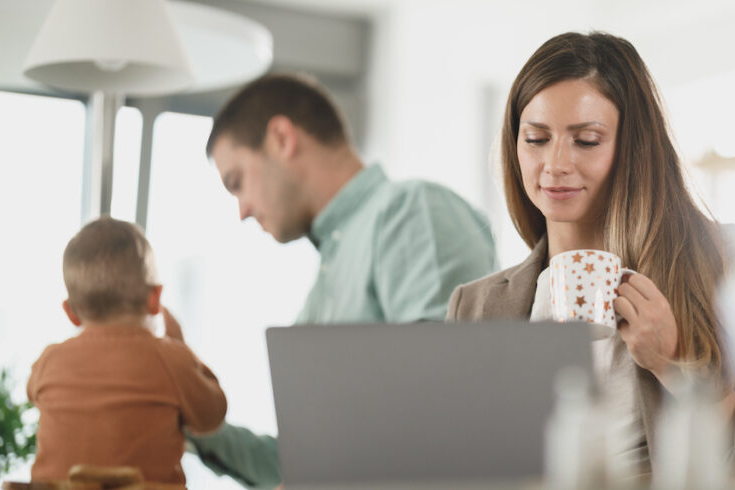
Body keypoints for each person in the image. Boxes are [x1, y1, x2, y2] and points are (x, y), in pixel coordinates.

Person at [446, 32, 735, 479]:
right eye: (535, 138)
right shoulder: (475, 307)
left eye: (586, 140)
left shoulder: (718, 260)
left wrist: (672, 365)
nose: (555, 164)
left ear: (631, 148)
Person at [182, 73, 499, 488]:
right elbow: (310, 466)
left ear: (281, 137)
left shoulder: (409, 210)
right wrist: (193, 421)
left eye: (236, 181)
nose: (241, 210)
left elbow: (442, 409)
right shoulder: (323, 288)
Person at [28, 217, 226, 485]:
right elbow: (212, 415)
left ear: (71, 313)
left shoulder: (49, 361)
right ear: (154, 299)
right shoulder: (170, 358)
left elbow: (32, 392)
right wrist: (182, 349)